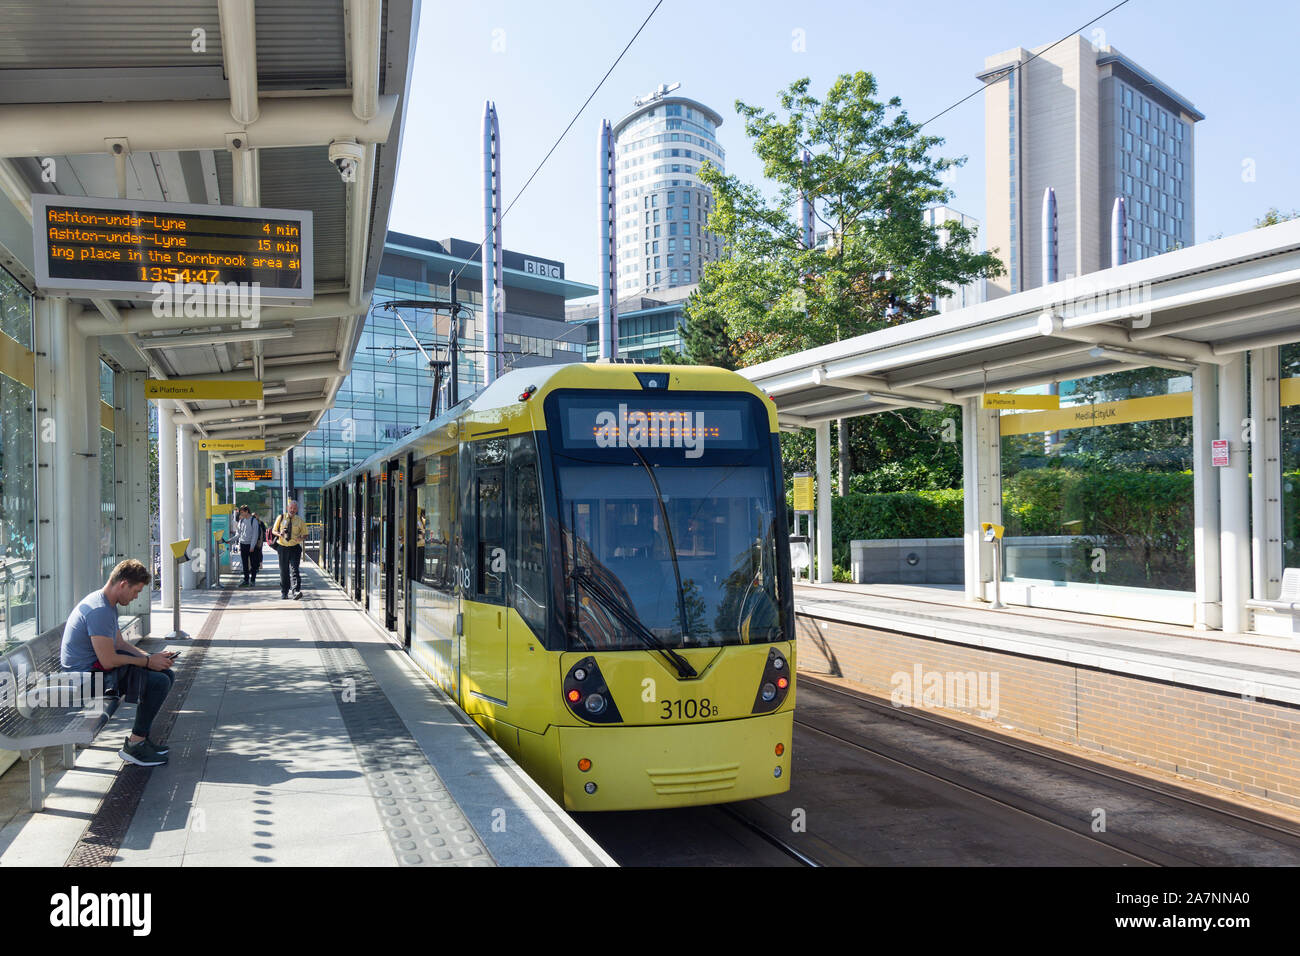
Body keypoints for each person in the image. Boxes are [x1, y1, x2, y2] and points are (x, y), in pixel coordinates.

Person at [60, 559, 176, 768]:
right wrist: (147, 662)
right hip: (85, 680)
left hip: (94, 671)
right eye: (136, 591)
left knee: (166, 675)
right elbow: (108, 659)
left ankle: (141, 740)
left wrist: (152, 657)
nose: (135, 597)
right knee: (157, 682)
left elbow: (120, 643)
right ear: (123, 584)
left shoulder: (106, 603)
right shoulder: (100, 610)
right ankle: (135, 746)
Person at [273, 499, 308, 600]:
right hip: (282, 547)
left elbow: (305, 534)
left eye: (294, 508)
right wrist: (279, 534)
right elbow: (274, 531)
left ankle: (296, 591)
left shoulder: (300, 520)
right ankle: (284, 592)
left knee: (294, 569)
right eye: (291, 508)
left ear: (297, 510)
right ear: (288, 508)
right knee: (284, 571)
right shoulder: (281, 517)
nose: (292, 510)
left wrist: (300, 538)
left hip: (295, 548)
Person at [235, 506, 267, 587]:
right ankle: (246, 580)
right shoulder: (241, 521)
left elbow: (255, 535)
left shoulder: (254, 521)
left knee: (253, 564)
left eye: (242, 512)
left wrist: (252, 546)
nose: (241, 514)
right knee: (245, 564)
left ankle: (252, 580)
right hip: (243, 544)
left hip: (252, 545)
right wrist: (231, 540)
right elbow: (238, 534)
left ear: (246, 511)